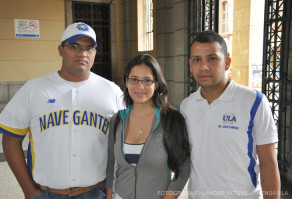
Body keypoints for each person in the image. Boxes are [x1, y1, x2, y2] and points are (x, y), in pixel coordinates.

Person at [0, 22, 124, 199]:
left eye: (89, 48)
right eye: (74, 46)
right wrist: (30, 192)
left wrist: (112, 191)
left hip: (97, 192)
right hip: (47, 193)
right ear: (60, 50)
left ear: (95, 53)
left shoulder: (112, 91)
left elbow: (125, 143)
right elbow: (10, 141)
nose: (82, 53)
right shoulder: (34, 88)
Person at [179, 30, 280, 199]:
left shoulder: (254, 101)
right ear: (190, 65)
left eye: (212, 58)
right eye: (197, 60)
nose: (204, 66)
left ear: (226, 62)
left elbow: (268, 163)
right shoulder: (185, 107)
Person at [106, 54, 190, 199]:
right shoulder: (117, 120)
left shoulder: (171, 120)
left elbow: (183, 169)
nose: (140, 86)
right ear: (126, 82)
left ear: (156, 84)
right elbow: (110, 165)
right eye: (134, 80)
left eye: (147, 80)